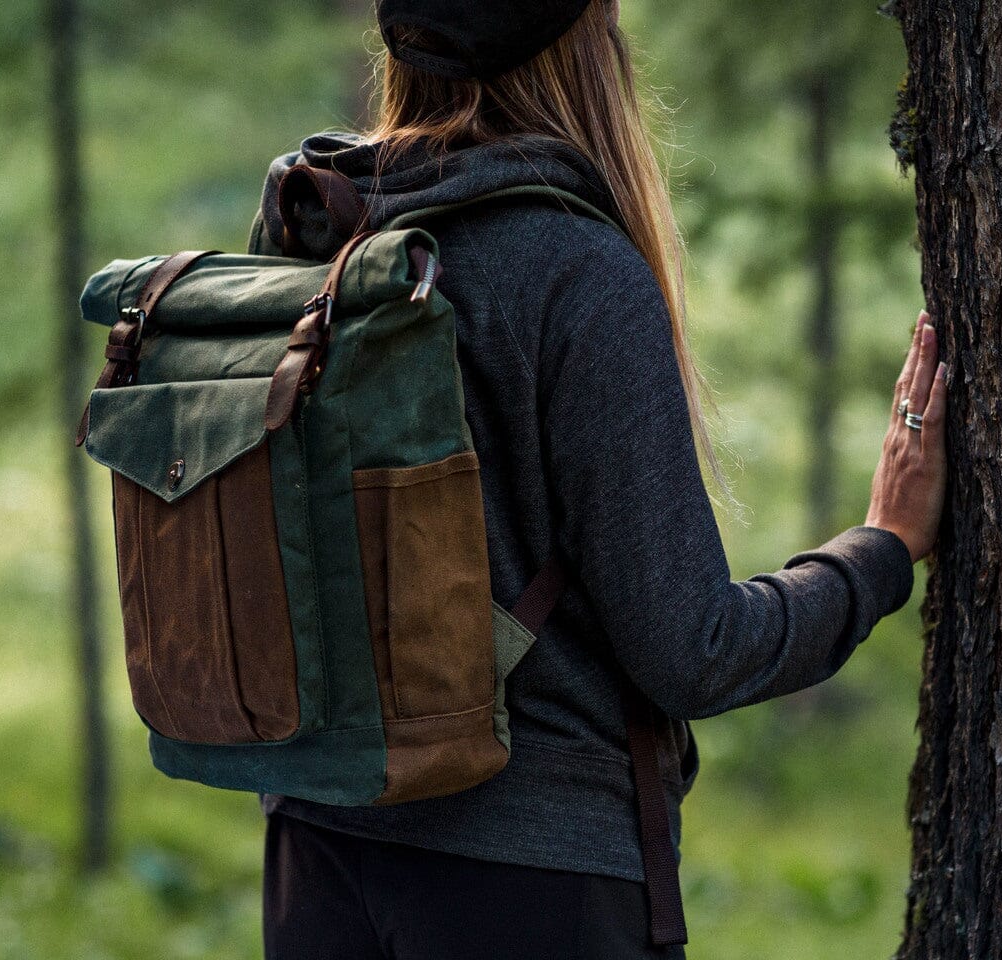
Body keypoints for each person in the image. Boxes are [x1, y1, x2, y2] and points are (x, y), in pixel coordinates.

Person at [252, 1, 948, 957]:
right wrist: (881, 549)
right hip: (532, 885)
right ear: (588, 50)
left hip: (315, 854)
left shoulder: (315, 233)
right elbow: (693, 649)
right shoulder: (575, 271)